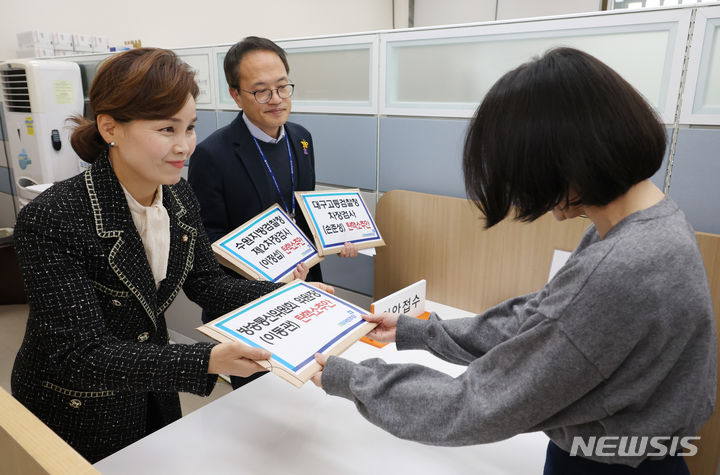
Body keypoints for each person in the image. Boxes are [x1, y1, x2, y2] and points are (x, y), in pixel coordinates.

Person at [311, 47, 716, 474]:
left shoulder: (625, 264)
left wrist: (353, 379)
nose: (530, 194)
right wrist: (418, 331)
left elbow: (475, 404)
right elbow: (541, 316)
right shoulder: (648, 223)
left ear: (567, 156)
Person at [10, 47, 331, 463]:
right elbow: (78, 354)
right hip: (78, 404)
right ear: (110, 127)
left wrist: (286, 297)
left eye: (190, 127)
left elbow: (207, 283)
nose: (185, 146)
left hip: (152, 386)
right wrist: (208, 360)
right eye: (166, 129)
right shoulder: (52, 218)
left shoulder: (178, 195)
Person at [188, 36, 356, 389]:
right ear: (236, 94)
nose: (276, 99)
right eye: (261, 91)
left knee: (311, 384)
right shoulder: (212, 154)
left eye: (282, 86)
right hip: (249, 302)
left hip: (304, 283)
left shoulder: (301, 138)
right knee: (259, 397)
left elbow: (303, 210)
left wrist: (336, 237)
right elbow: (208, 239)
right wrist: (266, 275)